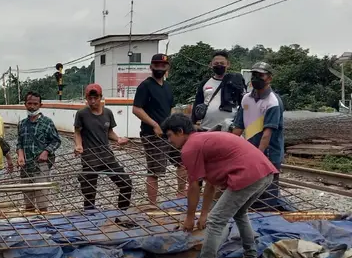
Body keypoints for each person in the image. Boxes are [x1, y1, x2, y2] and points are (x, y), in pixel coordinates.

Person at [161, 113, 276, 258]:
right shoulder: (202, 140)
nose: (170, 141)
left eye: (170, 135)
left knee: (216, 221)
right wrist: (203, 213)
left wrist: (190, 218)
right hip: (265, 172)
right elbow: (210, 184)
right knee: (239, 213)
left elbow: (194, 186)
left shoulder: (190, 148)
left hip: (248, 175)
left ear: (180, 131)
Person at [132, 53, 185, 204]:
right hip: (152, 135)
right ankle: (152, 205)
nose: (160, 68)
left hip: (170, 134)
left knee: (183, 162)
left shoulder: (167, 87)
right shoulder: (145, 86)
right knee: (155, 172)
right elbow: (136, 109)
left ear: (168, 67)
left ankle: (181, 196)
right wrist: (154, 125)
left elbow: (170, 110)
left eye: (163, 65)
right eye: (156, 65)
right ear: (151, 67)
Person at [232, 61, 285, 210]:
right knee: (250, 188)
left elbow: (267, 134)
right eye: (254, 75)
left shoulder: (273, 102)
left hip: (268, 152)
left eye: (260, 75)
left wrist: (258, 155)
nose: (256, 78)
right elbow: (238, 127)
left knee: (268, 191)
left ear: (269, 78)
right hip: (249, 151)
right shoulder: (246, 99)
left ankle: (269, 217)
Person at [74, 84, 132, 210]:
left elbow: (109, 131)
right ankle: (90, 218)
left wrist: (118, 139)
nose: (93, 101)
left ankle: (122, 214)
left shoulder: (108, 113)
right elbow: (77, 132)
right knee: (89, 192)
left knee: (126, 183)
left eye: (95, 98)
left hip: (107, 156)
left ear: (101, 97)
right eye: (90, 98)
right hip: (90, 158)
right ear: (86, 98)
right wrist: (78, 145)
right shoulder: (82, 114)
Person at [17, 91, 61, 211]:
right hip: (25, 167)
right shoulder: (22, 124)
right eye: (29, 103)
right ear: (25, 104)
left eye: (35, 104)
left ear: (40, 105)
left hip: (41, 166)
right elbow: (19, 143)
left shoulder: (47, 122)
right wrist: (20, 155)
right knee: (28, 199)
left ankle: (42, 223)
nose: (32, 106)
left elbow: (56, 141)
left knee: (42, 199)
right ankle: (30, 220)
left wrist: (46, 152)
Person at [191, 50, 247, 131]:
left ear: (228, 64)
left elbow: (243, 104)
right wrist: (193, 123)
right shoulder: (204, 83)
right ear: (211, 65)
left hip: (228, 130)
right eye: (216, 64)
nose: (219, 66)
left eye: (222, 63)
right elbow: (197, 103)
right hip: (206, 128)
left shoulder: (236, 82)